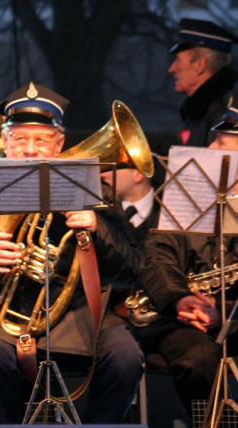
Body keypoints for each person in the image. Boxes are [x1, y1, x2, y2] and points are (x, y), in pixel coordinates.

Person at [0, 82, 144, 424]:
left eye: (42, 140)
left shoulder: (94, 190)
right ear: (4, 141)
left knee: (125, 357)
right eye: (20, 139)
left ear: (59, 144)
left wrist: (97, 229)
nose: (30, 150)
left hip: (80, 314)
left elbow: (134, 268)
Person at [136, 93, 238, 419]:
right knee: (198, 359)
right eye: (214, 142)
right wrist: (179, 299)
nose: (210, 151)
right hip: (182, 317)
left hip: (234, 316)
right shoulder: (188, 195)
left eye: (224, 147)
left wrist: (228, 316)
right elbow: (156, 254)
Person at [168, 18, 238, 147]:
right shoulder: (199, 110)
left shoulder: (223, 112)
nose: (171, 69)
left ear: (199, 64)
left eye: (178, 60)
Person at [100, 165, 159, 245]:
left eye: (112, 168)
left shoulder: (167, 214)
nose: (102, 174)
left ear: (138, 173)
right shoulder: (101, 209)